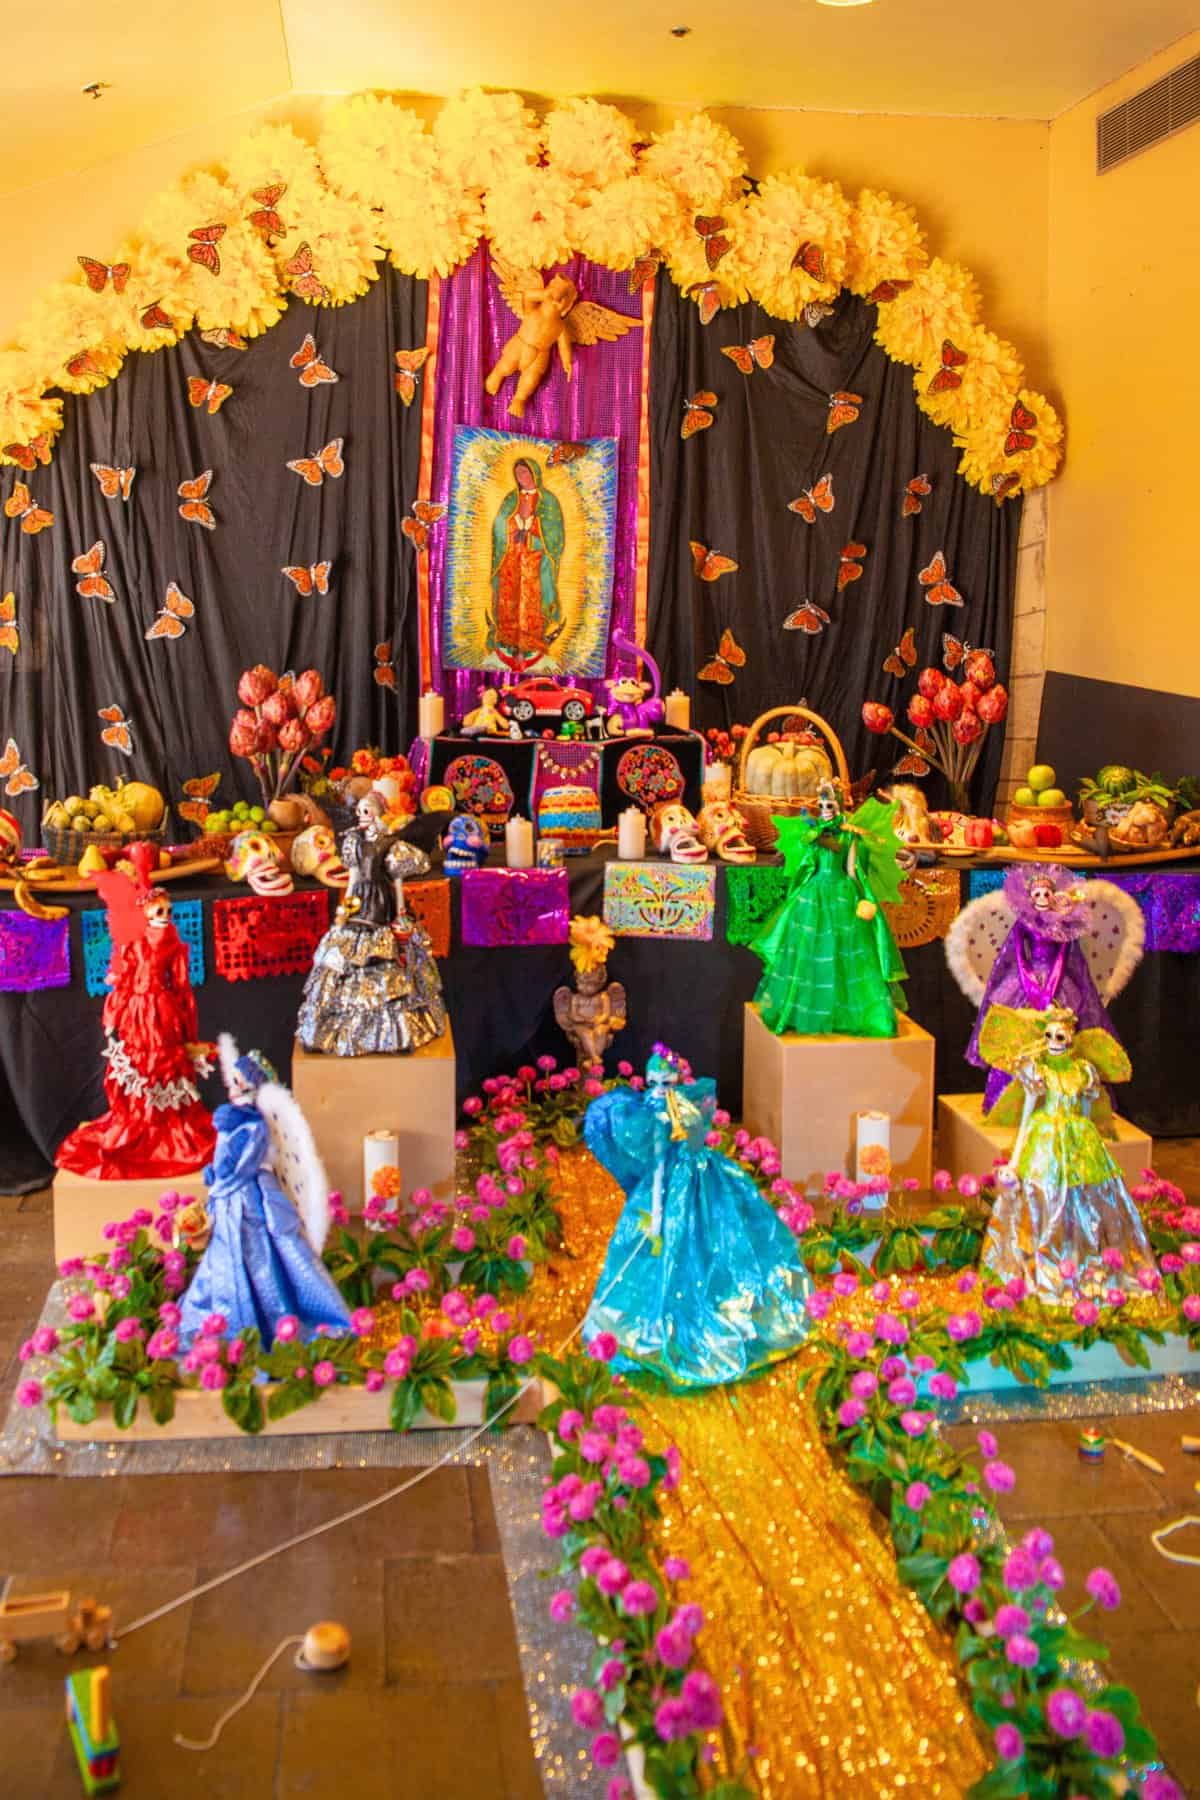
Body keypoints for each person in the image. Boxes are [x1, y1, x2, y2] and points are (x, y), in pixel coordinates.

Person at [582, 1046, 811, 1389]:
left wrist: (657, 1212)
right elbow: (658, 1164)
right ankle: (659, 1321)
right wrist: (655, 1213)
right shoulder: (664, 1112)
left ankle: (704, 1311)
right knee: (673, 1252)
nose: (660, 1089)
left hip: (698, 1181)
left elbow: (674, 1155)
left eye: (666, 1082)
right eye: (654, 1083)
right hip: (677, 1187)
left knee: (709, 1244)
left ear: (676, 1081)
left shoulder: (674, 1109)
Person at [57, 843, 215, 1179]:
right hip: (136, 1011)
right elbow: (122, 978)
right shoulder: (132, 941)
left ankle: (164, 1122)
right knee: (137, 1064)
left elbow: (182, 985)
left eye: (168, 913)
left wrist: (186, 1024)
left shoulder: (171, 940)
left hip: (162, 1011)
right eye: (158, 913)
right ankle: (137, 1118)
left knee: (163, 1063)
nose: (165, 919)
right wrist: (116, 1012)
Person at [178, 1038, 350, 1347]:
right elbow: (222, 1155)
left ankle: (266, 1318)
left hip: (246, 1198)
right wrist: (213, 1174)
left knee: (260, 1256)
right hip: (228, 1196)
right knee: (222, 1257)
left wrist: (222, 1183)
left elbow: (245, 1164)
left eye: (240, 1082)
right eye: (233, 1080)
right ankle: (219, 1315)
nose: (233, 1087)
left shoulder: (254, 1125)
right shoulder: (231, 1118)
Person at [978, 1003, 1155, 1299]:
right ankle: (1039, 1258)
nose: (1053, 1043)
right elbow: (1025, 1119)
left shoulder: (1084, 1072)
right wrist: (1015, 1160)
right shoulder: (1040, 1073)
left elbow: (1087, 1112)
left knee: (1083, 1199)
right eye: (1047, 1036)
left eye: (1059, 1037)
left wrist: (1090, 1142)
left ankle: (1079, 1256)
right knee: (1042, 1197)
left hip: (1079, 1141)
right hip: (1044, 1140)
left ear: (1071, 1038)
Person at [956, 866, 1133, 1110]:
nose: (1041, 899)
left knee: (1065, 1026)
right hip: (1024, 980)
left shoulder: (1063, 925)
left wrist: (1050, 986)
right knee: (1020, 1032)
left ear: (1054, 896)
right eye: (1037, 894)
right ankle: (1010, 1099)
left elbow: (1066, 956)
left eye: (1046, 894)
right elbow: (1016, 953)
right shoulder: (1024, 923)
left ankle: (1063, 1095)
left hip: (1058, 981)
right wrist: (1028, 981)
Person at [748, 781, 906, 1037]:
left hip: (841, 893)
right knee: (809, 951)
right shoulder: (813, 832)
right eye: (821, 805)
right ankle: (802, 1011)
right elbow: (808, 865)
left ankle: (847, 1013)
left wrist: (864, 896)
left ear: (839, 805)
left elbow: (853, 871)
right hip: (815, 895)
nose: (825, 809)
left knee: (846, 952)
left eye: (830, 805)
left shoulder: (849, 834)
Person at [297, 792, 446, 1055]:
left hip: (381, 902)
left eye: (367, 811)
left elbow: (398, 883)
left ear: (378, 813)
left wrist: (401, 914)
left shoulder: (392, 844)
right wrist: (345, 909)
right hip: (360, 901)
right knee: (345, 952)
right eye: (359, 811)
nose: (361, 816)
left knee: (385, 954)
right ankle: (331, 1028)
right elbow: (353, 880)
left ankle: (396, 1031)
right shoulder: (353, 842)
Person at [487, 457, 565, 670]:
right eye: (519, 473)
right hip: (511, 556)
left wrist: (533, 525)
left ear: (535, 473)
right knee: (508, 597)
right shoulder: (511, 498)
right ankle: (508, 641)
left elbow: (555, 531)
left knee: (533, 599)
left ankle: (532, 642)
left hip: (535, 557)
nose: (523, 477)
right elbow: (499, 525)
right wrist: (513, 525)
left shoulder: (548, 500)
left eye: (526, 472)